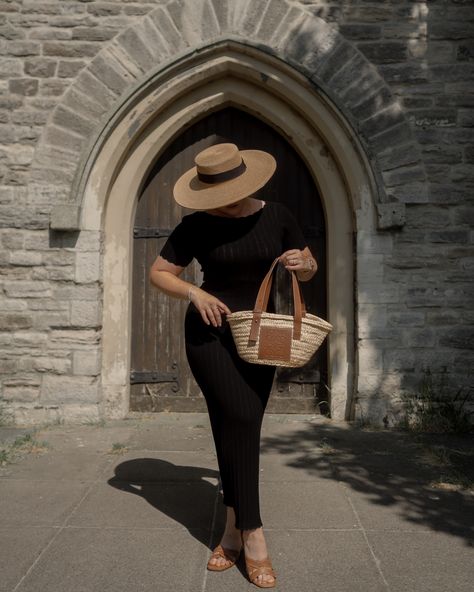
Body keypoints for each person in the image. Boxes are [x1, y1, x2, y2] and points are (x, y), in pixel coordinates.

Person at [149, 142, 317, 588]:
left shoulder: (278, 215)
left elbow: (309, 266)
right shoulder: (196, 225)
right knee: (241, 417)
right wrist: (194, 293)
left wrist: (302, 263)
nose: (223, 204)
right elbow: (159, 272)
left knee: (234, 424)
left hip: (265, 335)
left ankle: (228, 529)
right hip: (210, 335)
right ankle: (253, 534)